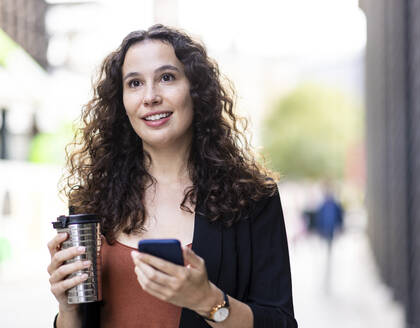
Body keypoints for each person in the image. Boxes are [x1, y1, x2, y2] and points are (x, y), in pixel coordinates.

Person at [46, 24, 297, 328]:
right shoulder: (93, 202)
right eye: (135, 83)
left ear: (196, 90)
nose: (150, 97)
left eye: (166, 78)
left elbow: (281, 323)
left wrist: (208, 301)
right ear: (121, 101)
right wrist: (67, 309)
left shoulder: (252, 199)